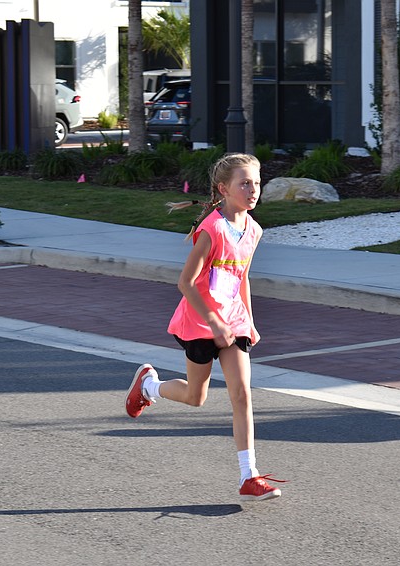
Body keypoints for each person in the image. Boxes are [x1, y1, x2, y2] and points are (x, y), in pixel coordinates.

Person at [124, 152, 284, 501]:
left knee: (241, 395)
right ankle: (150, 386)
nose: (252, 190)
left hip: (234, 321)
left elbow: (242, 278)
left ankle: (249, 476)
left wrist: (249, 321)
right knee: (196, 397)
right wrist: (213, 321)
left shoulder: (253, 230)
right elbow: (186, 282)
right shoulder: (211, 230)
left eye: (256, 183)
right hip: (200, 321)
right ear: (223, 189)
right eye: (244, 183)